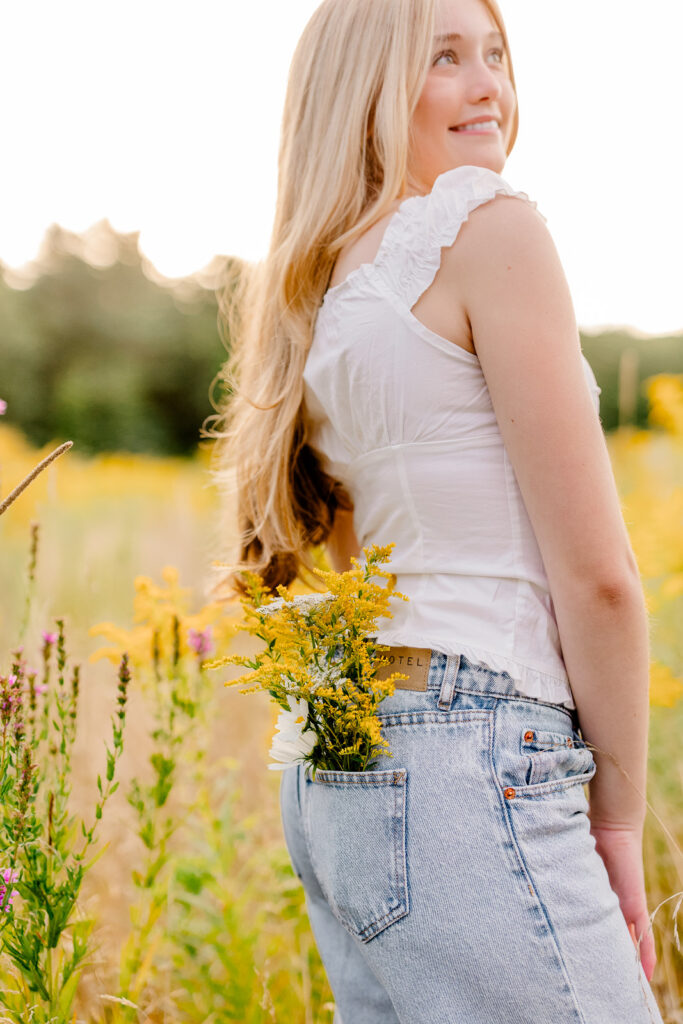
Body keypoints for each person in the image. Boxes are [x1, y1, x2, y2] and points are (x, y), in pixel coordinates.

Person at [214, 0, 666, 1019]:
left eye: (496, 54)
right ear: (366, 87)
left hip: (346, 766)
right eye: (445, 58)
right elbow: (596, 577)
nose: (487, 85)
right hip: (473, 753)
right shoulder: (485, 226)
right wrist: (618, 823)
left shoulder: (321, 290)